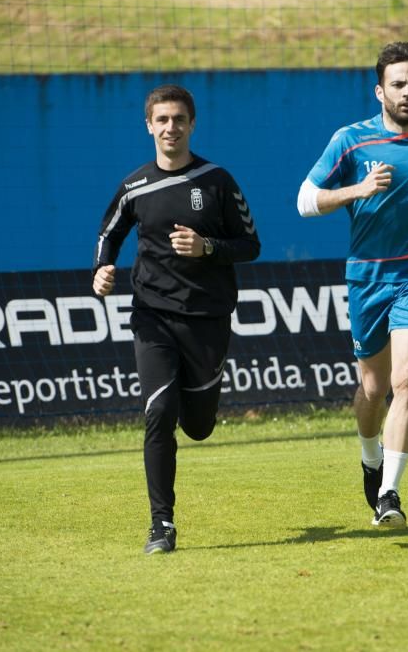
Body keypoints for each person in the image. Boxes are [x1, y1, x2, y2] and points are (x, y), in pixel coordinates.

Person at [296, 41, 408, 529]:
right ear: (379, 91)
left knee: (405, 377)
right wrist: (357, 190)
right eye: (397, 84)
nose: (407, 92)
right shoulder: (350, 140)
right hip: (367, 275)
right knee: (371, 389)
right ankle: (371, 459)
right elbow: (305, 201)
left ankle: (389, 492)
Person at [92, 84, 260, 554]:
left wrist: (208, 248)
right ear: (149, 125)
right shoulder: (134, 187)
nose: (170, 127)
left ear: (192, 124)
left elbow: (251, 245)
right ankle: (160, 526)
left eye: (178, 119)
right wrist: (101, 272)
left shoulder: (217, 180)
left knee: (200, 425)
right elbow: (109, 236)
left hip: (207, 319)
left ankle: (198, 401)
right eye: (161, 120)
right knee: (159, 413)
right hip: (152, 317)